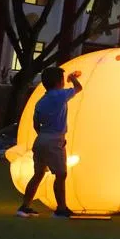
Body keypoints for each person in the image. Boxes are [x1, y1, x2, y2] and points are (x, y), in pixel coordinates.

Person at [17, 67, 83, 218]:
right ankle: (61, 209)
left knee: (38, 174)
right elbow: (78, 88)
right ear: (59, 82)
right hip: (54, 139)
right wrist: (73, 78)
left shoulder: (41, 101)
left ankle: (24, 206)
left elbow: (36, 124)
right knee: (61, 174)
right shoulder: (60, 95)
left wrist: (45, 136)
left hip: (41, 139)